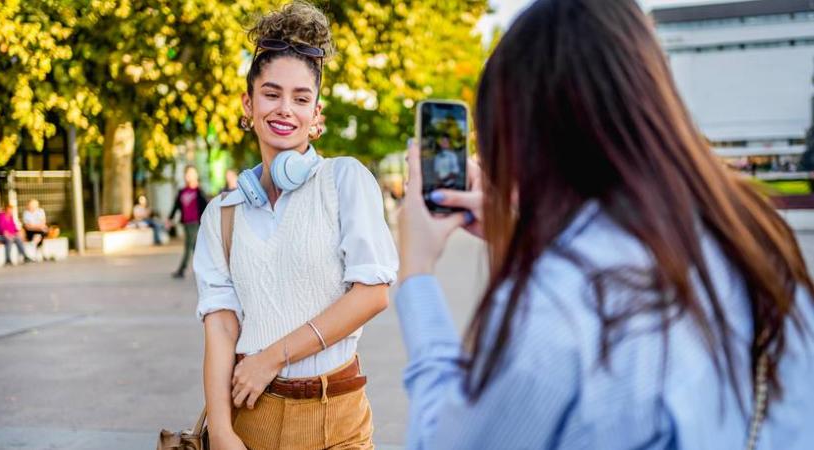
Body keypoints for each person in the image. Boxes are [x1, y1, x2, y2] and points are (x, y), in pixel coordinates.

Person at [395, 1, 814, 449]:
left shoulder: (558, 305)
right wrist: (517, 237)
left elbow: (447, 440)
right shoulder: (752, 235)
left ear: (524, 135)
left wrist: (416, 272)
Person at [193, 2, 398, 449]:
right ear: (248, 103)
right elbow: (222, 329)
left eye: (301, 98)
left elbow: (373, 292)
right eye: (271, 93)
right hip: (252, 416)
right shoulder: (222, 215)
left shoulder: (345, 180)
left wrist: (271, 358)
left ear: (317, 114)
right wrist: (224, 433)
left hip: (337, 417)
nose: (285, 109)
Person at [168, 165, 208, 278]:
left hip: (196, 223)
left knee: (190, 246)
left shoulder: (199, 191)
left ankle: (182, 270)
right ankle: (205, 270)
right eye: (187, 174)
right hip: (186, 223)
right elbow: (176, 206)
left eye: (191, 173)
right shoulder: (182, 191)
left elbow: (205, 207)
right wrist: (169, 218)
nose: (189, 176)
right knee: (194, 247)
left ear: (196, 175)